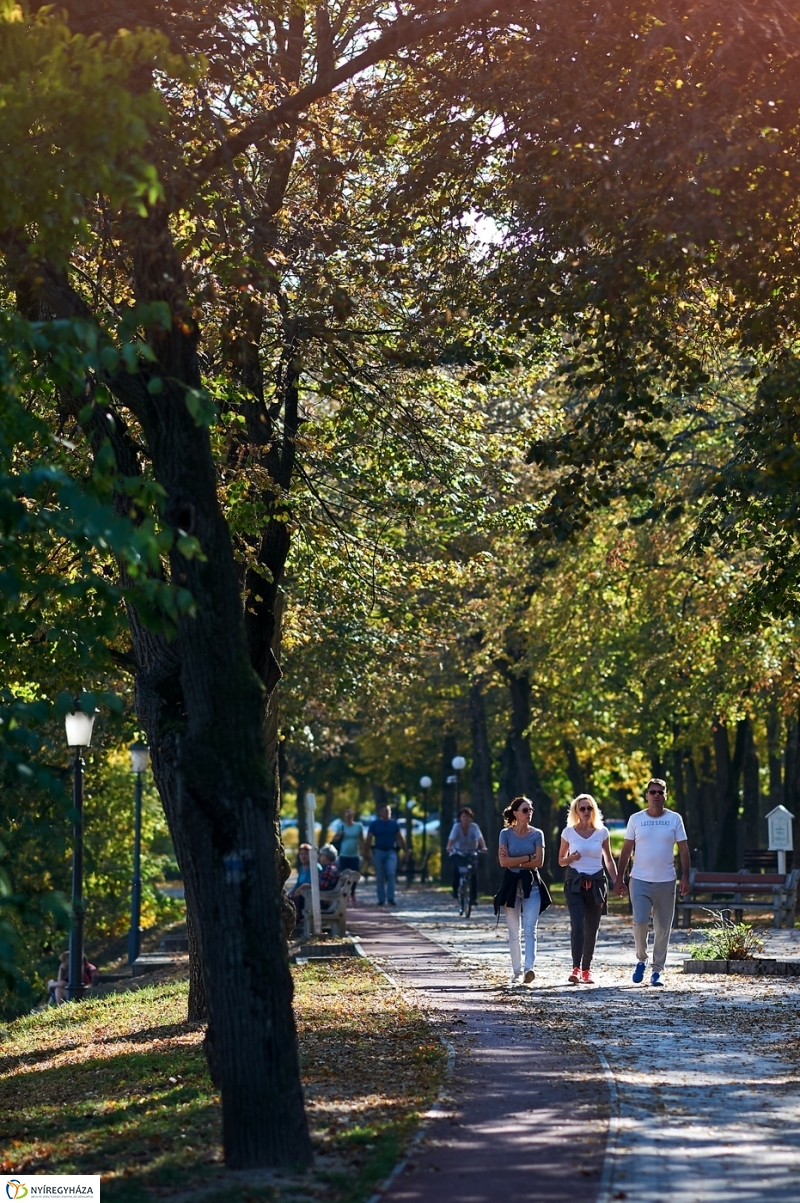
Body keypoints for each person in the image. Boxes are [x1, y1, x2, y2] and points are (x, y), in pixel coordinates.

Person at [615, 778, 691, 986]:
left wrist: (685, 877)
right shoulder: (636, 819)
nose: (656, 795)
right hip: (639, 879)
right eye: (652, 792)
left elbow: (683, 849)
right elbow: (626, 849)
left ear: (665, 795)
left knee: (662, 928)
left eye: (660, 792)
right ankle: (641, 959)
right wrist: (619, 877)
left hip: (666, 881)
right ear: (647, 795)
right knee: (639, 921)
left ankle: (657, 969)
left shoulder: (674, 819)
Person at [559, 794, 618, 985]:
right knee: (577, 925)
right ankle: (575, 969)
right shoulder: (568, 832)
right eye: (582, 808)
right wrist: (572, 858)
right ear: (576, 811)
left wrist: (617, 880)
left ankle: (587, 970)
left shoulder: (602, 832)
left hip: (596, 883)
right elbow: (561, 861)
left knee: (592, 927)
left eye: (589, 808)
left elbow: (608, 860)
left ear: (594, 810)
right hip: (574, 883)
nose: (585, 811)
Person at [495, 796, 545, 985]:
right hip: (510, 886)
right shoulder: (505, 834)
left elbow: (539, 862)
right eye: (525, 810)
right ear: (516, 813)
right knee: (514, 931)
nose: (529, 813)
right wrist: (527, 857)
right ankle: (516, 971)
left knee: (530, 929)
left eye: (531, 809)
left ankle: (529, 969)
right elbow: (503, 862)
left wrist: (515, 860)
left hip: (530, 884)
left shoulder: (537, 834)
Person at [365, 803, 407, 906]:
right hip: (378, 852)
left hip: (391, 852)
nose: (388, 813)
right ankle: (381, 899)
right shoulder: (375, 824)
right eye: (386, 811)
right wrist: (365, 852)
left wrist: (406, 851)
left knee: (391, 873)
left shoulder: (394, 824)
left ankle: (391, 898)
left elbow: (400, 838)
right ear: (380, 812)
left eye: (389, 811)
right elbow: (369, 838)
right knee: (380, 876)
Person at [447, 807, 487, 906]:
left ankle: (473, 898)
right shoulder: (456, 827)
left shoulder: (474, 827)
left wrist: (484, 847)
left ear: (471, 818)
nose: (465, 819)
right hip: (458, 852)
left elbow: (480, 838)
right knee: (456, 869)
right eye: (463, 816)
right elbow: (451, 839)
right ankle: (455, 890)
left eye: (468, 817)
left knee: (473, 873)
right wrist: (449, 847)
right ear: (460, 818)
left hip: (471, 852)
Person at [336, 808, 364, 903]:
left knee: (354, 875)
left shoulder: (358, 826)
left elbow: (361, 840)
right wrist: (339, 835)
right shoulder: (341, 827)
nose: (348, 818)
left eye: (350, 816)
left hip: (354, 855)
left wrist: (365, 851)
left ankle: (352, 893)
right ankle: (345, 893)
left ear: (353, 816)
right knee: (344, 875)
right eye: (346, 816)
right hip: (344, 854)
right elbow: (334, 840)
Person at [287, 843, 313, 923]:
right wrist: (292, 891)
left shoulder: (314, 868)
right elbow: (298, 883)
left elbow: (313, 884)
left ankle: (296, 921)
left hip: (309, 896)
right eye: (301, 854)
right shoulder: (301, 868)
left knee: (295, 900)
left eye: (306, 853)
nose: (303, 856)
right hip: (301, 895)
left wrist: (301, 888)